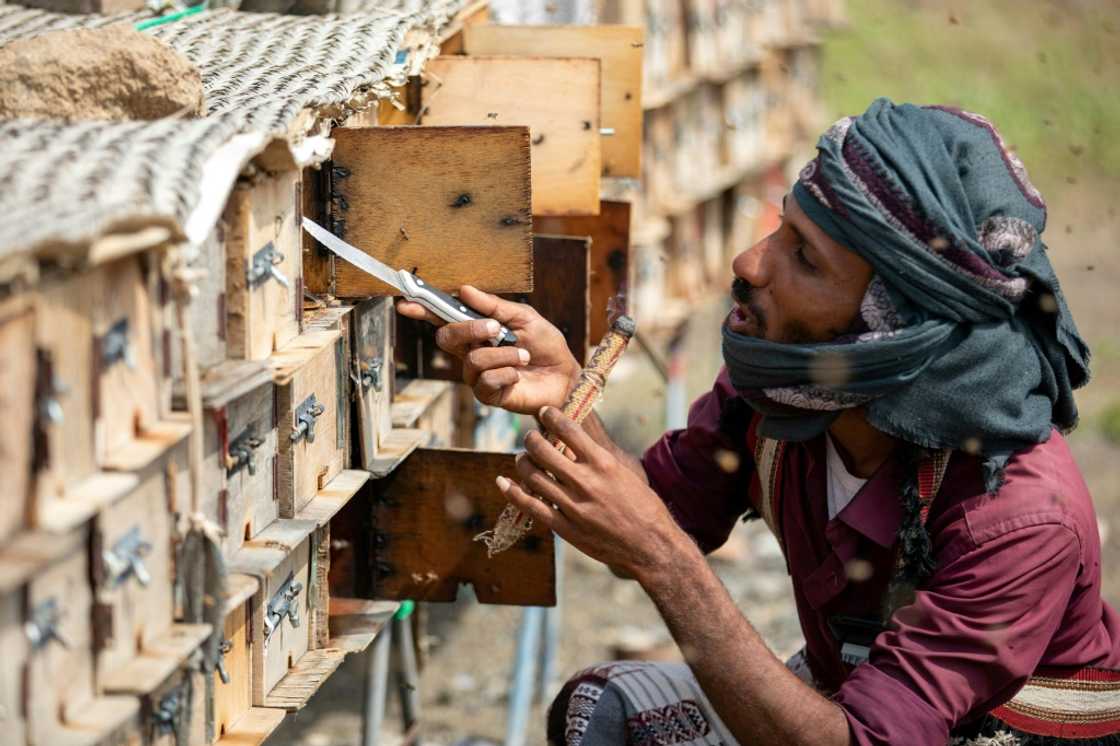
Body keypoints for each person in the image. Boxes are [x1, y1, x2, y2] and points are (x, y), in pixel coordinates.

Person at [397, 99, 1120, 745]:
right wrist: (566, 400)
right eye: (782, 226)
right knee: (605, 711)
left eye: (802, 257)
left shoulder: (1020, 518)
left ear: (888, 329)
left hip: (970, 732)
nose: (749, 262)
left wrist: (668, 566)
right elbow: (641, 525)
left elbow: (868, 736)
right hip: (856, 703)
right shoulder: (784, 395)